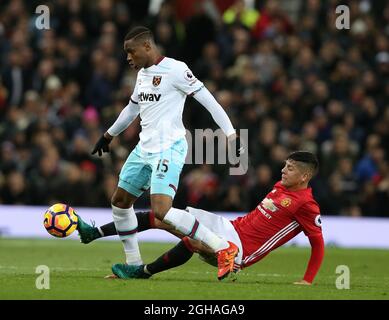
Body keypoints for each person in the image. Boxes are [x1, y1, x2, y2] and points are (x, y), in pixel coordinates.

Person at [90, 26, 244, 280]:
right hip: (144, 148)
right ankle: (133, 265)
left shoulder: (176, 69)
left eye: (131, 51)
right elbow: (132, 109)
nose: (128, 57)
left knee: (161, 209)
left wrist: (230, 134)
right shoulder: (142, 75)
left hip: (169, 147)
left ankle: (223, 247)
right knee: (119, 201)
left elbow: (209, 101)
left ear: (147, 47)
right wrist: (108, 135)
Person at [78, 151, 324, 284]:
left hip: (240, 249)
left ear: (304, 176)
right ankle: (95, 233)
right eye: (285, 165)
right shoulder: (281, 187)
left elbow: (318, 243)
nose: (283, 170)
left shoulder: (307, 205)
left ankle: (141, 271)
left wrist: (307, 280)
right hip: (229, 227)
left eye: (290, 168)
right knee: (163, 216)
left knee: (191, 239)